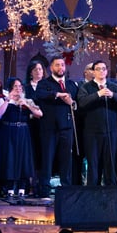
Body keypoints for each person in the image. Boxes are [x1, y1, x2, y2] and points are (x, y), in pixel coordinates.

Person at [33, 55, 80, 196]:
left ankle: (66, 188)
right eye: (57, 65)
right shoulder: (44, 83)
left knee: (66, 159)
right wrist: (58, 94)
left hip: (67, 127)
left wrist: (72, 103)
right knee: (47, 159)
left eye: (62, 65)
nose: (60, 68)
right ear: (51, 68)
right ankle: (44, 189)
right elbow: (40, 95)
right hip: (49, 128)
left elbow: (77, 103)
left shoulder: (71, 84)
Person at [76, 60, 117, 186]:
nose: (101, 71)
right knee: (93, 164)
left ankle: (110, 192)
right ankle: (93, 192)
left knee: (110, 163)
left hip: (111, 131)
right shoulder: (86, 87)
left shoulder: (113, 86)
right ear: (93, 72)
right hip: (92, 132)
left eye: (104, 69)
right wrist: (98, 94)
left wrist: (113, 95)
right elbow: (81, 102)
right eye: (98, 69)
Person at [0, 77, 42, 199]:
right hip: (9, 132)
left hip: (23, 132)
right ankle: (10, 189)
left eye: (20, 86)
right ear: (10, 88)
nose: (18, 89)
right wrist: (8, 99)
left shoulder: (27, 101)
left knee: (23, 159)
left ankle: (22, 189)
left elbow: (39, 114)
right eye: (15, 86)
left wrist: (27, 105)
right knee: (10, 159)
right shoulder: (4, 100)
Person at [25, 60, 47, 193]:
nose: (38, 71)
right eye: (35, 69)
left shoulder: (47, 86)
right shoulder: (26, 88)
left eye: (40, 69)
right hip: (31, 124)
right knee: (32, 153)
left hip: (45, 124)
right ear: (30, 73)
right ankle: (31, 184)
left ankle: (43, 184)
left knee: (44, 153)